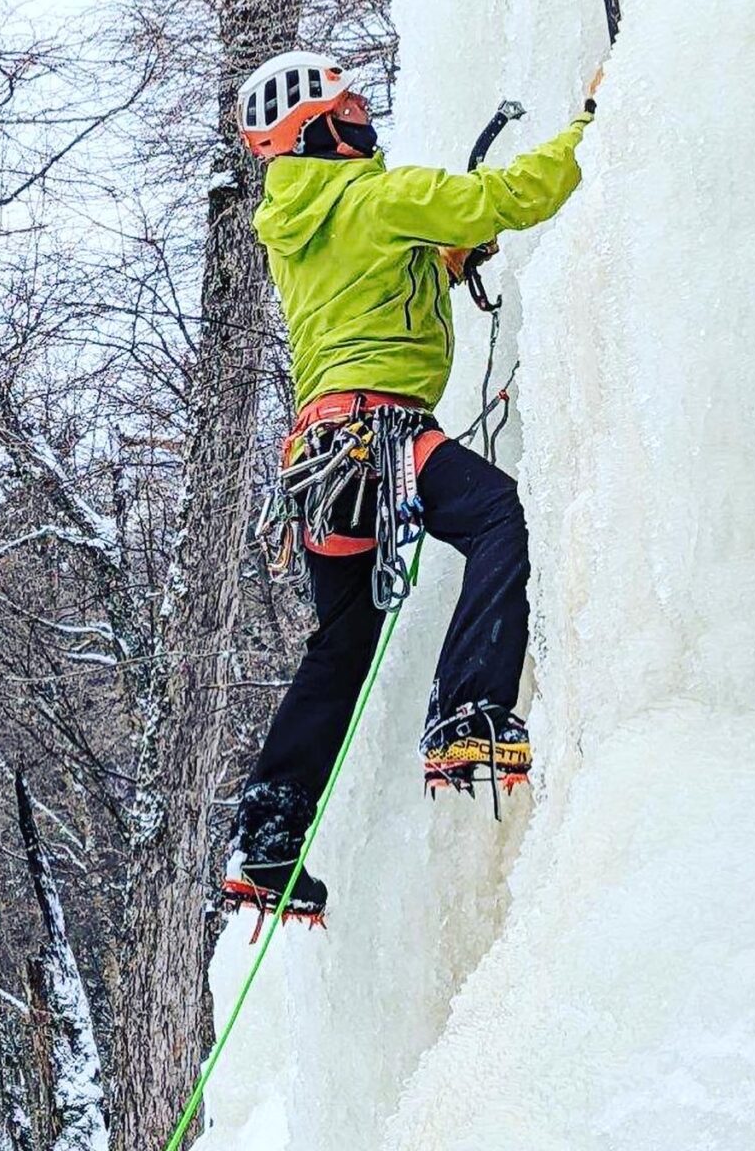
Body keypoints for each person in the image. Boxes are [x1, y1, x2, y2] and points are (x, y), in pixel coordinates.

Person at [224, 51, 593, 922]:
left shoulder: (296, 225)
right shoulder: (375, 198)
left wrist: (440, 263)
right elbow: (512, 196)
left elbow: (372, 288)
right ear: (316, 127)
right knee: (500, 518)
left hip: (319, 464)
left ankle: (269, 837)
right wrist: (593, 124)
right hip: (379, 438)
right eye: (346, 105)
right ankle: (469, 709)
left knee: (341, 648)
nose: (363, 113)